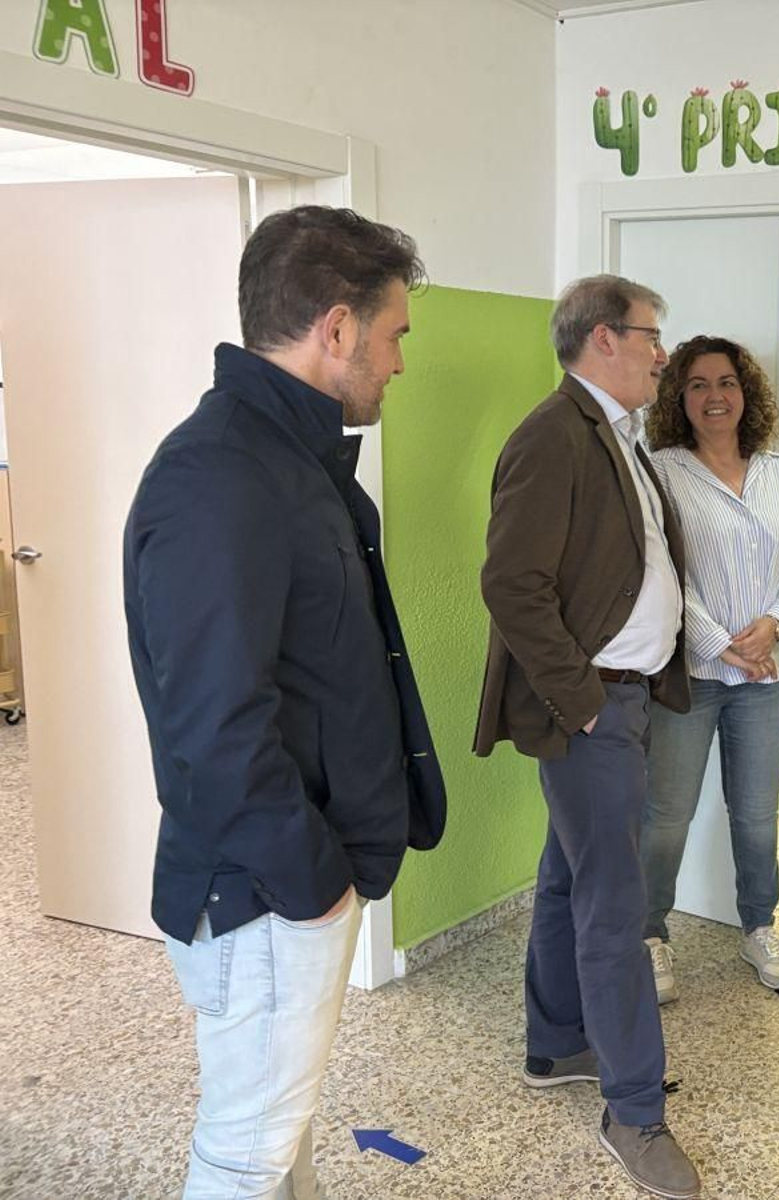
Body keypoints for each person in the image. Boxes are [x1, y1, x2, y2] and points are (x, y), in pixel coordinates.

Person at [124, 205, 447, 1197]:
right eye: (393, 337)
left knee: (277, 1134)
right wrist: (314, 884)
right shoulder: (219, 476)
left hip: (291, 881)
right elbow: (215, 730)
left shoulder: (284, 461)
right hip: (267, 891)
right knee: (246, 1150)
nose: (398, 363)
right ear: (336, 329)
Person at [474, 275, 700, 1200]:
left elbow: (635, 569)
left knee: (571, 878)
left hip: (623, 701)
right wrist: (586, 703)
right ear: (604, 338)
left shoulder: (616, 437)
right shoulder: (552, 437)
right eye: (653, 335)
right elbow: (510, 585)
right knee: (616, 906)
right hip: (593, 710)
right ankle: (635, 1114)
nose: (663, 353)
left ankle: (556, 1044)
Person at [640, 335, 779, 1002]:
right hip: (692, 676)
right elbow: (656, 571)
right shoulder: (660, 471)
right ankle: (649, 935)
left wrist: (774, 626)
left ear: (745, 392)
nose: (714, 396)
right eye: (697, 384)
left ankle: (759, 925)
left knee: (754, 813)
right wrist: (723, 643)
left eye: (726, 382)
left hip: (764, 678)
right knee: (666, 815)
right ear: (678, 398)